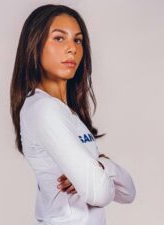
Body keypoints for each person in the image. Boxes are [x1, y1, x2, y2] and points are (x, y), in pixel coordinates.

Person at [10, 4, 136, 225]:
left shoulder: (67, 113)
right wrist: (97, 169)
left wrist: (101, 166)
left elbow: (128, 193)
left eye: (78, 40)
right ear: (34, 44)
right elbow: (99, 193)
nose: (72, 49)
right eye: (59, 38)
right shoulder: (43, 109)